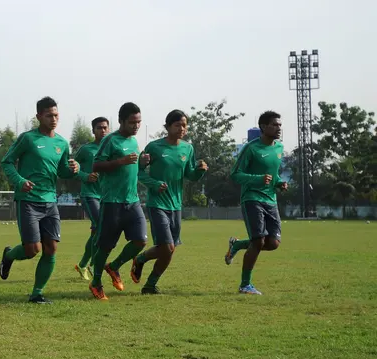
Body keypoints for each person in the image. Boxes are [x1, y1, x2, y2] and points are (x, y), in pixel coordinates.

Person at [0, 97, 80, 304]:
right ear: (39, 116)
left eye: (56, 115)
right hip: (28, 200)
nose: (54, 119)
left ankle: (37, 293)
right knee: (32, 249)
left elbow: (62, 171)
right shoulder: (27, 139)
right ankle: (8, 256)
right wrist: (19, 181)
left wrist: (74, 170)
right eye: (49, 115)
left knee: (51, 248)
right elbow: (6, 161)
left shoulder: (62, 143)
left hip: (50, 201)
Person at [132, 110, 208, 294]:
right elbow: (139, 171)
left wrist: (200, 170)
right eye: (177, 125)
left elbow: (189, 174)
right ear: (167, 127)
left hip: (176, 205)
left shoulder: (187, 149)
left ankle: (149, 284)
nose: (182, 129)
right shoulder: (154, 147)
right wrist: (154, 183)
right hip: (157, 203)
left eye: (184, 125)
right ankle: (141, 260)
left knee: (169, 250)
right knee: (168, 247)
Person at [88, 102, 149, 300]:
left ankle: (114, 267)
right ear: (121, 121)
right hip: (112, 202)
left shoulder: (134, 142)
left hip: (133, 201)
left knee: (140, 241)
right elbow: (96, 165)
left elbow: (133, 170)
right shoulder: (110, 140)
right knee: (105, 246)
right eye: (132, 122)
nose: (136, 126)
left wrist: (142, 163)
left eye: (138, 122)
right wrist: (120, 162)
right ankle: (96, 283)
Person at [224, 111, 287, 295]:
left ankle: (236, 245)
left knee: (274, 242)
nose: (278, 128)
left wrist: (279, 183)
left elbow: (273, 175)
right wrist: (258, 179)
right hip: (252, 198)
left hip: (271, 200)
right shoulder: (251, 148)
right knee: (258, 241)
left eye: (280, 125)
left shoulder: (279, 148)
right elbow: (235, 174)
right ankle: (245, 285)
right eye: (275, 125)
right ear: (263, 127)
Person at [72, 117, 109, 280]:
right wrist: (86, 176)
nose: (103, 130)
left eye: (105, 128)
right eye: (100, 128)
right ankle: (94, 263)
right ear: (93, 130)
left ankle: (83, 265)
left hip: (106, 196)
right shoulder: (86, 150)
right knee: (101, 227)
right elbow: (71, 168)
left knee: (96, 232)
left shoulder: (111, 149)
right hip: (90, 194)